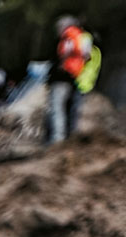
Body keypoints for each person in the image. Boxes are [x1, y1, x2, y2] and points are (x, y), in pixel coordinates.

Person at [47, 15, 93, 143]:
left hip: (62, 77)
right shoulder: (82, 37)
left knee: (57, 109)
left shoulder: (68, 36)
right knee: (69, 110)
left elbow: (65, 52)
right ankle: (68, 138)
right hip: (74, 77)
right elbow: (86, 56)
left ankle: (57, 140)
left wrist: (60, 65)